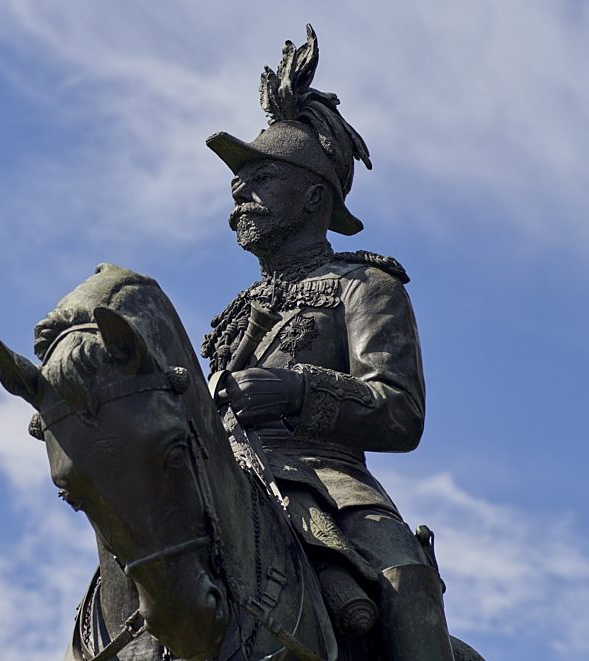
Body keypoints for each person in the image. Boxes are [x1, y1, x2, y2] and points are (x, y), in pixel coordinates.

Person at [201, 26, 455, 660]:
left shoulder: (365, 286)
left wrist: (295, 389)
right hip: (226, 483)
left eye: (261, 179)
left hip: (331, 484)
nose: (241, 195)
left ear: (315, 196)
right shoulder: (234, 314)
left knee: (406, 578)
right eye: (237, 186)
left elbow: (400, 411)